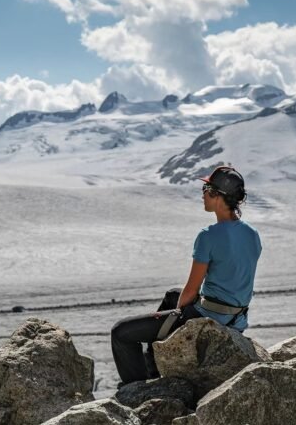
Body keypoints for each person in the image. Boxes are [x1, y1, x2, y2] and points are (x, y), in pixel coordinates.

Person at [111, 165, 262, 385]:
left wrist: (178, 315)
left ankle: (138, 389)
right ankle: (154, 362)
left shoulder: (208, 236)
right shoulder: (252, 234)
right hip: (236, 319)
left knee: (121, 333)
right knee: (172, 294)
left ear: (217, 195)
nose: (202, 195)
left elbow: (192, 291)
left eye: (206, 189)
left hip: (207, 318)